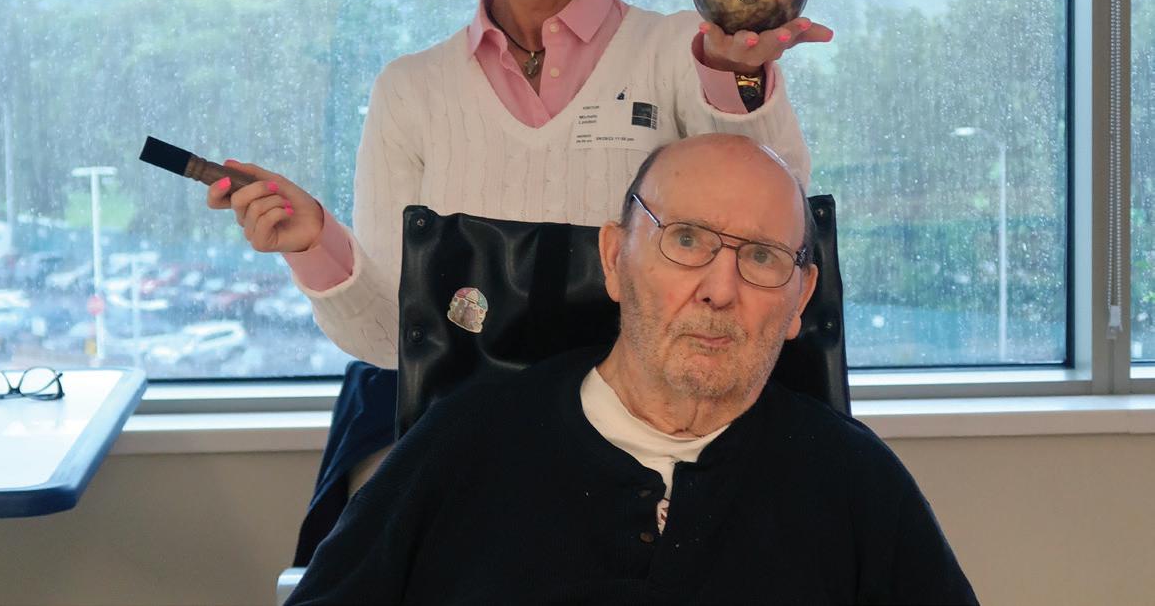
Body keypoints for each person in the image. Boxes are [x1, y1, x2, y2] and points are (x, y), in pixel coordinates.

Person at [210, 0, 832, 552]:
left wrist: (736, 74)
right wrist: (313, 243)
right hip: (477, 473)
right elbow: (392, 342)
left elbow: (773, 217)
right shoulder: (413, 91)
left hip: (661, 471)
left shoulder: (681, 51)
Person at [285, 135, 977, 606]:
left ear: (801, 299)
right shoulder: (463, 445)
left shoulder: (856, 483)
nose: (720, 289)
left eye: (763, 257)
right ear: (615, 259)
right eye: (687, 240)